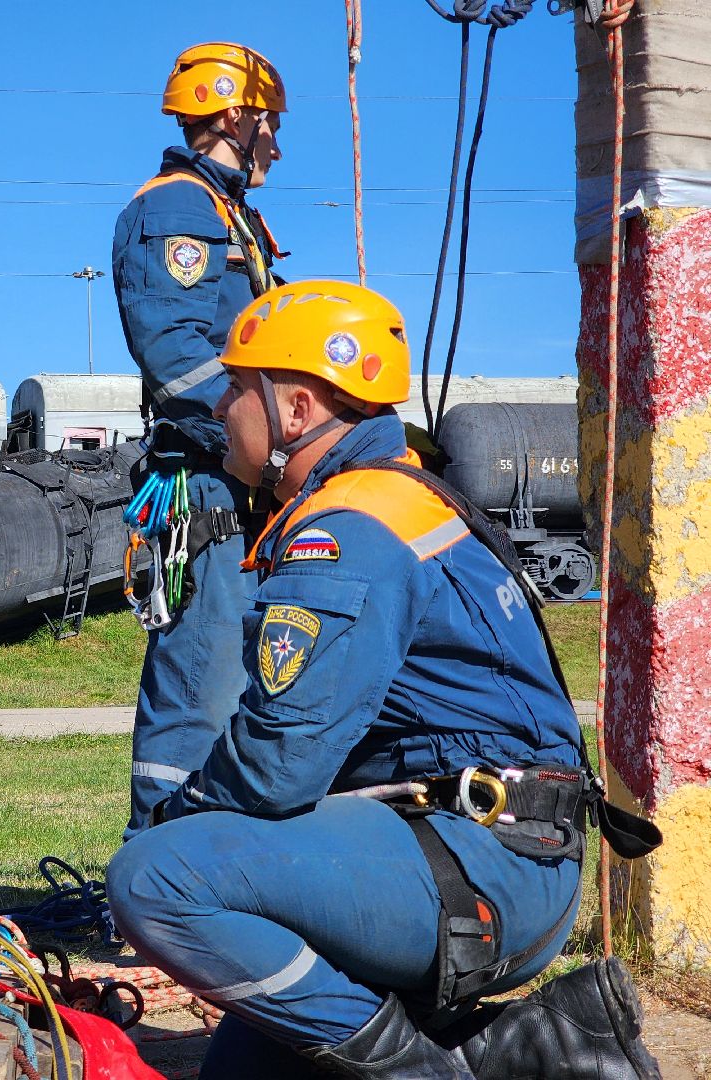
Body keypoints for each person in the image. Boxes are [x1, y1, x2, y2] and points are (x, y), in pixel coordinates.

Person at [106, 280, 661, 1078]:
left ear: (295, 410)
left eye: (236, 385)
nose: (221, 405)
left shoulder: (349, 526)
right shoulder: (389, 499)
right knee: (243, 1068)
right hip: (486, 848)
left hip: (485, 861)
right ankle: (540, 1044)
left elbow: (277, 760)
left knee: (155, 878)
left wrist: (175, 819)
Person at [113, 42, 289, 838]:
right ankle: (158, 872)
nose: (276, 143)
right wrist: (265, 442)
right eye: (270, 124)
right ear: (232, 115)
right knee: (200, 685)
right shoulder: (180, 209)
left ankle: (220, 871)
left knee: (255, 680)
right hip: (211, 485)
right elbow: (176, 351)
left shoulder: (232, 215)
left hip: (247, 485)